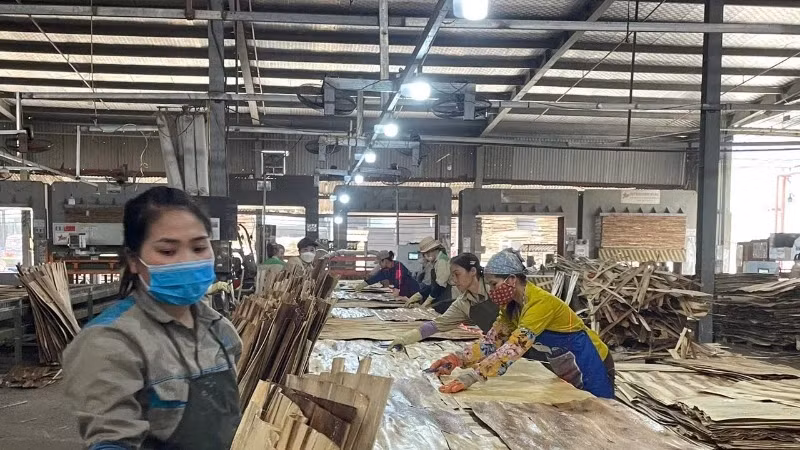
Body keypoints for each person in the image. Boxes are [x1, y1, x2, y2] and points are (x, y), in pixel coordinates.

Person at [63, 187, 242, 449]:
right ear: (134, 261)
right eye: (168, 251)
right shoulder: (110, 341)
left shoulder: (219, 330)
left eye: (199, 247)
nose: (187, 261)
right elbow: (111, 441)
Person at [428, 249, 614, 399]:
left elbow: (515, 346)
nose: (491, 291)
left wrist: (475, 375)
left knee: (600, 411)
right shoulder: (512, 306)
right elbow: (492, 342)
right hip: (565, 363)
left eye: (494, 284)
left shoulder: (540, 303)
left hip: (591, 360)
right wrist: (457, 359)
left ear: (511, 280)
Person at [389, 253, 498, 350]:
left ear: (473, 271)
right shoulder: (462, 302)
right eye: (452, 276)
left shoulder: (495, 289)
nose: (454, 280)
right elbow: (435, 325)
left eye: (457, 274)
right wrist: (404, 338)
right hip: (499, 345)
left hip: (512, 343)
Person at [404, 237, 453, 313]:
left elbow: (440, 286)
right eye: (424, 254)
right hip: (441, 297)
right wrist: (419, 295)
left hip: (447, 298)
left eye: (428, 252)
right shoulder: (436, 263)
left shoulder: (442, 261)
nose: (426, 256)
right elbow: (432, 286)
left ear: (435, 249)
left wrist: (426, 303)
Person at [355, 250, 421, 298]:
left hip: (413, 293)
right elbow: (375, 278)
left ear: (385, 261)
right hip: (403, 294)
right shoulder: (385, 270)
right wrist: (363, 285)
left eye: (380, 263)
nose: (379, 265)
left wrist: (394, 293)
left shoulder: (398, 267)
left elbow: (399, 282)